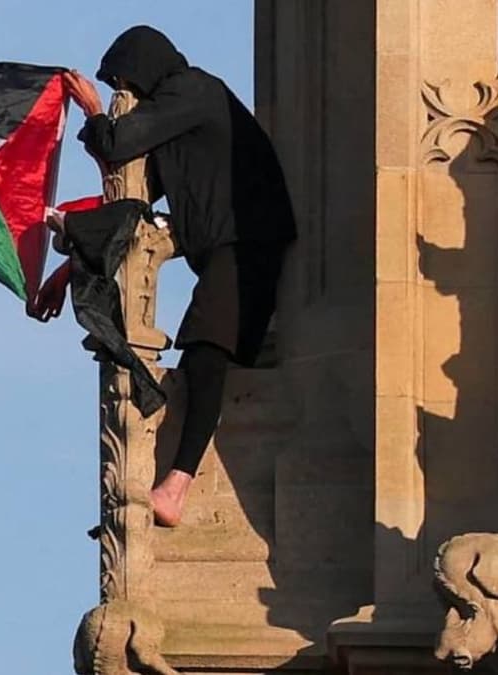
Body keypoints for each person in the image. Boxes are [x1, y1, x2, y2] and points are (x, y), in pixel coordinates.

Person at [28, 25, 296, 527]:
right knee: (209, 351)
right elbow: (132, 209)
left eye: (124, 83)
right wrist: (65, 272)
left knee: (204, 353)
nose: (123, 96)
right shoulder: (179, 119)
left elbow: (119, 142)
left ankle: (176, 486)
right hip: (230, 245)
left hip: (247, 244)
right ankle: (178, 481)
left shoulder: (192, 90)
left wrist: (91, 109)